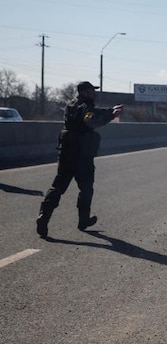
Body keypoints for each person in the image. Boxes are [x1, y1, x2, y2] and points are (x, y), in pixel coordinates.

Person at [36, 81, 123, 238]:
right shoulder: (85, 107)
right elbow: (91, 120)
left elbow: (93, 112)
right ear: (84, 92)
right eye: (91, 91)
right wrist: (111, 116)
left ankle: (44, 217)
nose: (94, 93)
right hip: (82, 156)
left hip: (66, 154)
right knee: (86, 188)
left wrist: (111, 111)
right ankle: (83, 220)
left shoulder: (72, 105)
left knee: (57, 187)